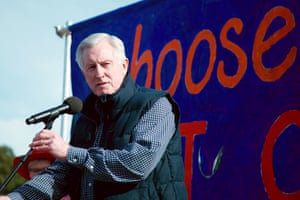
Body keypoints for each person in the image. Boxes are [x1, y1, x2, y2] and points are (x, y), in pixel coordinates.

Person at [0, 33, 187, 200]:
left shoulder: (155, 104)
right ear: (84, 74)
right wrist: (15, 198)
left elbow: (137, 163)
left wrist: (69, 152)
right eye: (91, 67)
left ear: (124, 65)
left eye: (105, 64)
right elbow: (63, 174)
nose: (99, 73)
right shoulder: (85, 117)